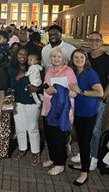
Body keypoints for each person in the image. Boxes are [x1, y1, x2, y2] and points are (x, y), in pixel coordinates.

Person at [71, 31, 109, 171]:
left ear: (101, 41)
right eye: (91, 39)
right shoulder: (84, 57)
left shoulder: (106, 59)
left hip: (97, 100)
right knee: (84, 131)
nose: (94, 42)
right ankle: (84, 154)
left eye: (97, 40)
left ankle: (93, 157)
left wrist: (103, 96)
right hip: (81, 100)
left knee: (95, 130)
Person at [68, 48, 103, 186]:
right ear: (72, 59)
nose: (79, 60)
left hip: (87, 113)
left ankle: (84, 173)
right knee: (82, 141)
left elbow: (99, 92)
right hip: (78, 111)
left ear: (85, 59)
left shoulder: (90, 73)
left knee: (84, 142)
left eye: (81, 57)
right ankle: (84, 164)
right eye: (76, 57)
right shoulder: (75, 72)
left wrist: (81, 91)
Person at [41, 47, 77, 176]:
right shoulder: (49, 69)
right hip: (48, 108)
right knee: (49, 135)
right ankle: (53, 158)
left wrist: (57, 91)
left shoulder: (68, 71)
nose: (56, 59)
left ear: (64, 59)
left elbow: (74, 93)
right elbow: (46, 84)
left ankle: (60, 164)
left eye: (59, 57)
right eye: (53, 56)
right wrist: (47, 88)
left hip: (61, 111)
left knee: (58, 138)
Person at [7, 47, 41, 166]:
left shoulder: (34, 68)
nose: (22, 56)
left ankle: (35, 152)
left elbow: (40, 83)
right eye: (20, 54)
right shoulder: (11, 69)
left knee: (32, 128)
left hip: (31, 102)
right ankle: (22, 149)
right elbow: (9, 86)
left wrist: (38, 88)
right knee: (20, 127)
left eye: (25, 54)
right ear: (16, 55)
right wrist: (18, 77)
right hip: (17, 102)